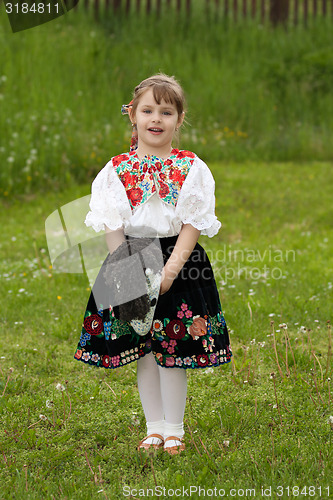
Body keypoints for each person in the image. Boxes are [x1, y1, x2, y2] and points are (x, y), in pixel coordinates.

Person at [74, 74, 232, 455]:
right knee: (144, 348)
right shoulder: (116, 170)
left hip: (178, 260)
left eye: (166, 111)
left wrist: (169, 273)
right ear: (133, 116)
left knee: (172, 346)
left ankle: (175, 430)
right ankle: (154, 427)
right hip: (131, 258)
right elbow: (112, 223)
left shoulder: (191, 167)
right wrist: (127, 268)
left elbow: (193, 223)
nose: (156, 118)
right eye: (147, 110)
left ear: (179, 119)